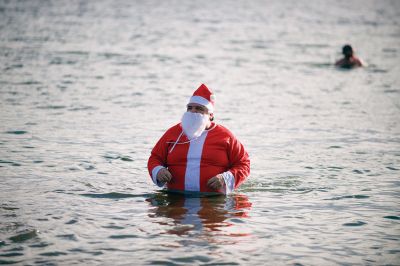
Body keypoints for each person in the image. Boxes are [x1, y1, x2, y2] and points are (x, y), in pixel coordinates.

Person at [147, 84, 250, 194]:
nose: (193, 111)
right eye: (189, 108)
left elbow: (243, 164)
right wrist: (158, 170)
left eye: (199, 109)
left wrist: (224, 178)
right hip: (175, 198)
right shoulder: (172, 133)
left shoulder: (225, 136)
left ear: (210, 115)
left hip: (212, 202)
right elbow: (155, 158)